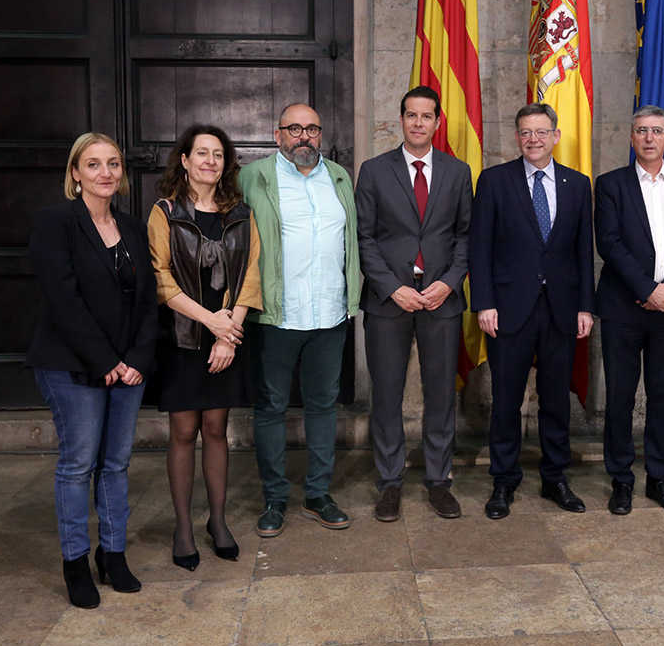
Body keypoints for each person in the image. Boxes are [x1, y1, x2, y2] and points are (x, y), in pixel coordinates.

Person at [27, 133, 157, 608]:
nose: (106, 172)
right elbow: (64, 301)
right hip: (72, 365)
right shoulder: (55, 223)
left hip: (127, 370)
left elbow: (148, 300)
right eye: (94, 164)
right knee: (78, 465)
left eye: (114, 164)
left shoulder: (133, 227)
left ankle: (114, 555)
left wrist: (136, 360)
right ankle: (76, 563)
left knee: (116, 464)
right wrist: (105, 361)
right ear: (75, 173)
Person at [239, 103, 360, 537]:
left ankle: (318, 493)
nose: (304, 136)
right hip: (276, 315)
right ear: (278, 135)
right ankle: (274, 498)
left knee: (323, 406)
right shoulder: (254, 177)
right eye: (294, 128)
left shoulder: (339, 177)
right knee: (271, 406)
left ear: (321, 134)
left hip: (329, 313)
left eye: (312, 128)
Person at [470, 103, 595, 519]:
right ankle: (503, 480)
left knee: (556, 399)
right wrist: (484, 302)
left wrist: (585, 306)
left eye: (541, 132)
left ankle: (555, 477)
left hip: (561, 309)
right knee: (506, 399)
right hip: (508, 309)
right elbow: (480, 248)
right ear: (517, 137)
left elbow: (583, 251)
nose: (533, 140)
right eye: (526, 132)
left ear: (555, 136)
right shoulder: (494, 181)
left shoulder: (577, 184)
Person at [147, 125, 262, 569]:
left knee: (216, 429)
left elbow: (250, 274)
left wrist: (228, 332)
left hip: (226, 338)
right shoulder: (165, 212)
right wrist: (210, 321)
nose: (210, 161)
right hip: (182, 337)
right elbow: (160, 278)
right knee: (182, 432)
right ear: (185, 160)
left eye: (218, 154)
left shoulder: (241, 213)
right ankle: (182, 527)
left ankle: (217, 520)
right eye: (201, 153)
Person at [356, 86, 472, 522]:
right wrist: (391, 287)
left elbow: (465, 236)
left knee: (440, 394)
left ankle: (439, 481)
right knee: (387, 394)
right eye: (411, 115)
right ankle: (389, 482)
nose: (418, 123)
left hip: (441, 299)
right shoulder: (374, 171)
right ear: (401, 120)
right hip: (389, 302)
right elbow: (364, 238)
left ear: (437, 122)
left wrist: (448, 282)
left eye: (426, 116)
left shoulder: (458, 172)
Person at [594, 107, 664, 515]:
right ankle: (621, 479)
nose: (649, 138)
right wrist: (646, 289)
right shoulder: (610, 184)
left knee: (662, 396)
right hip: (624, 308)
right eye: (641, 131)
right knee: (620, 396)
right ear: (632, 138)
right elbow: (609, 243)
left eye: (657, 131)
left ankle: (660, 478)